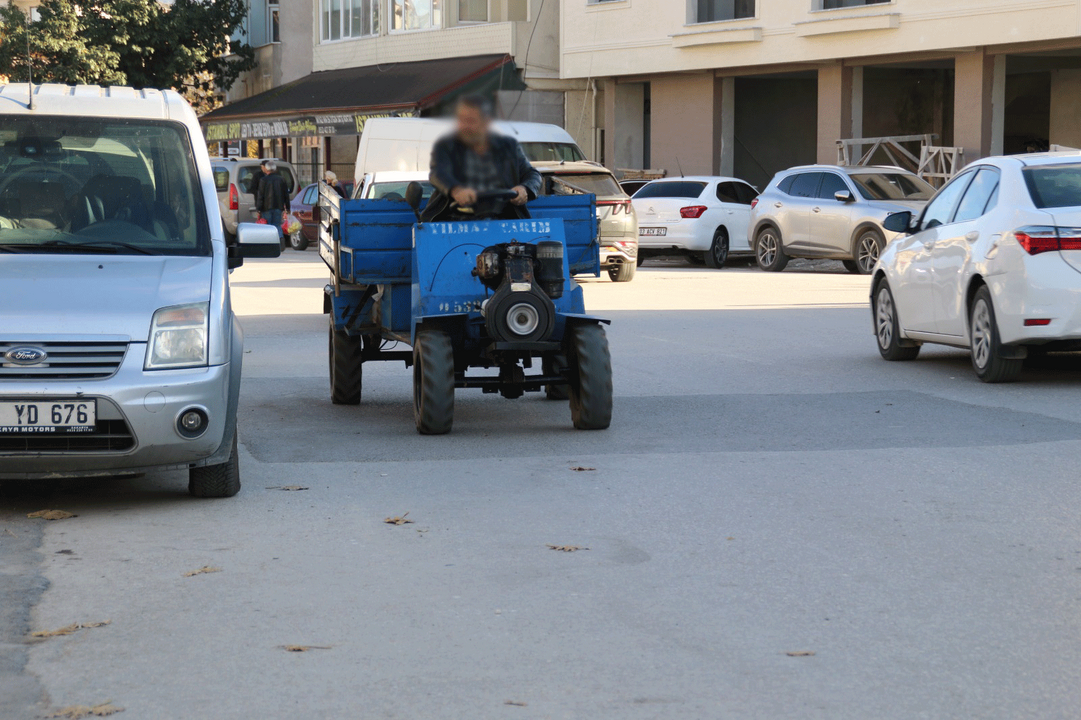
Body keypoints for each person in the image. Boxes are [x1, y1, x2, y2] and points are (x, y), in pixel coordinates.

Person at [422, 95, 542, 222]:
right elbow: (438, 173)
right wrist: (455, 190)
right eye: (461, 120)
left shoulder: (509, 146)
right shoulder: (447, 146)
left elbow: (533, 174)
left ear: (486, 122)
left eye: (470, 121)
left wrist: (524, 189)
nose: (464, 126)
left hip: (504, 223)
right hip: (454, 222)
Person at [254, 159, 290, 242]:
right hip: (278, 207)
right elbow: (286, 195)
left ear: (266, 169)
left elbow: (261, 196)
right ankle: (280, 239)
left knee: (268, 226)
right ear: (275, 169)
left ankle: (270, 242)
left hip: (266, 208)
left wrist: (258, 209)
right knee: (277, 224)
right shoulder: (282, 179)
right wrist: (287, 208)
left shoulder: (263, 180)